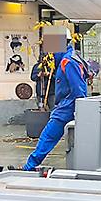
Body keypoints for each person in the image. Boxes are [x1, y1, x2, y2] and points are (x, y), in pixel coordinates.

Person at [23, 31, 88, 171]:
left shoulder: (67, 62)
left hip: (66, 109)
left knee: (47, 137)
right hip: (68, 107)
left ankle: (29, 167)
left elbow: (78, 90)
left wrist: (80, 111)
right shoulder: (68, 59)